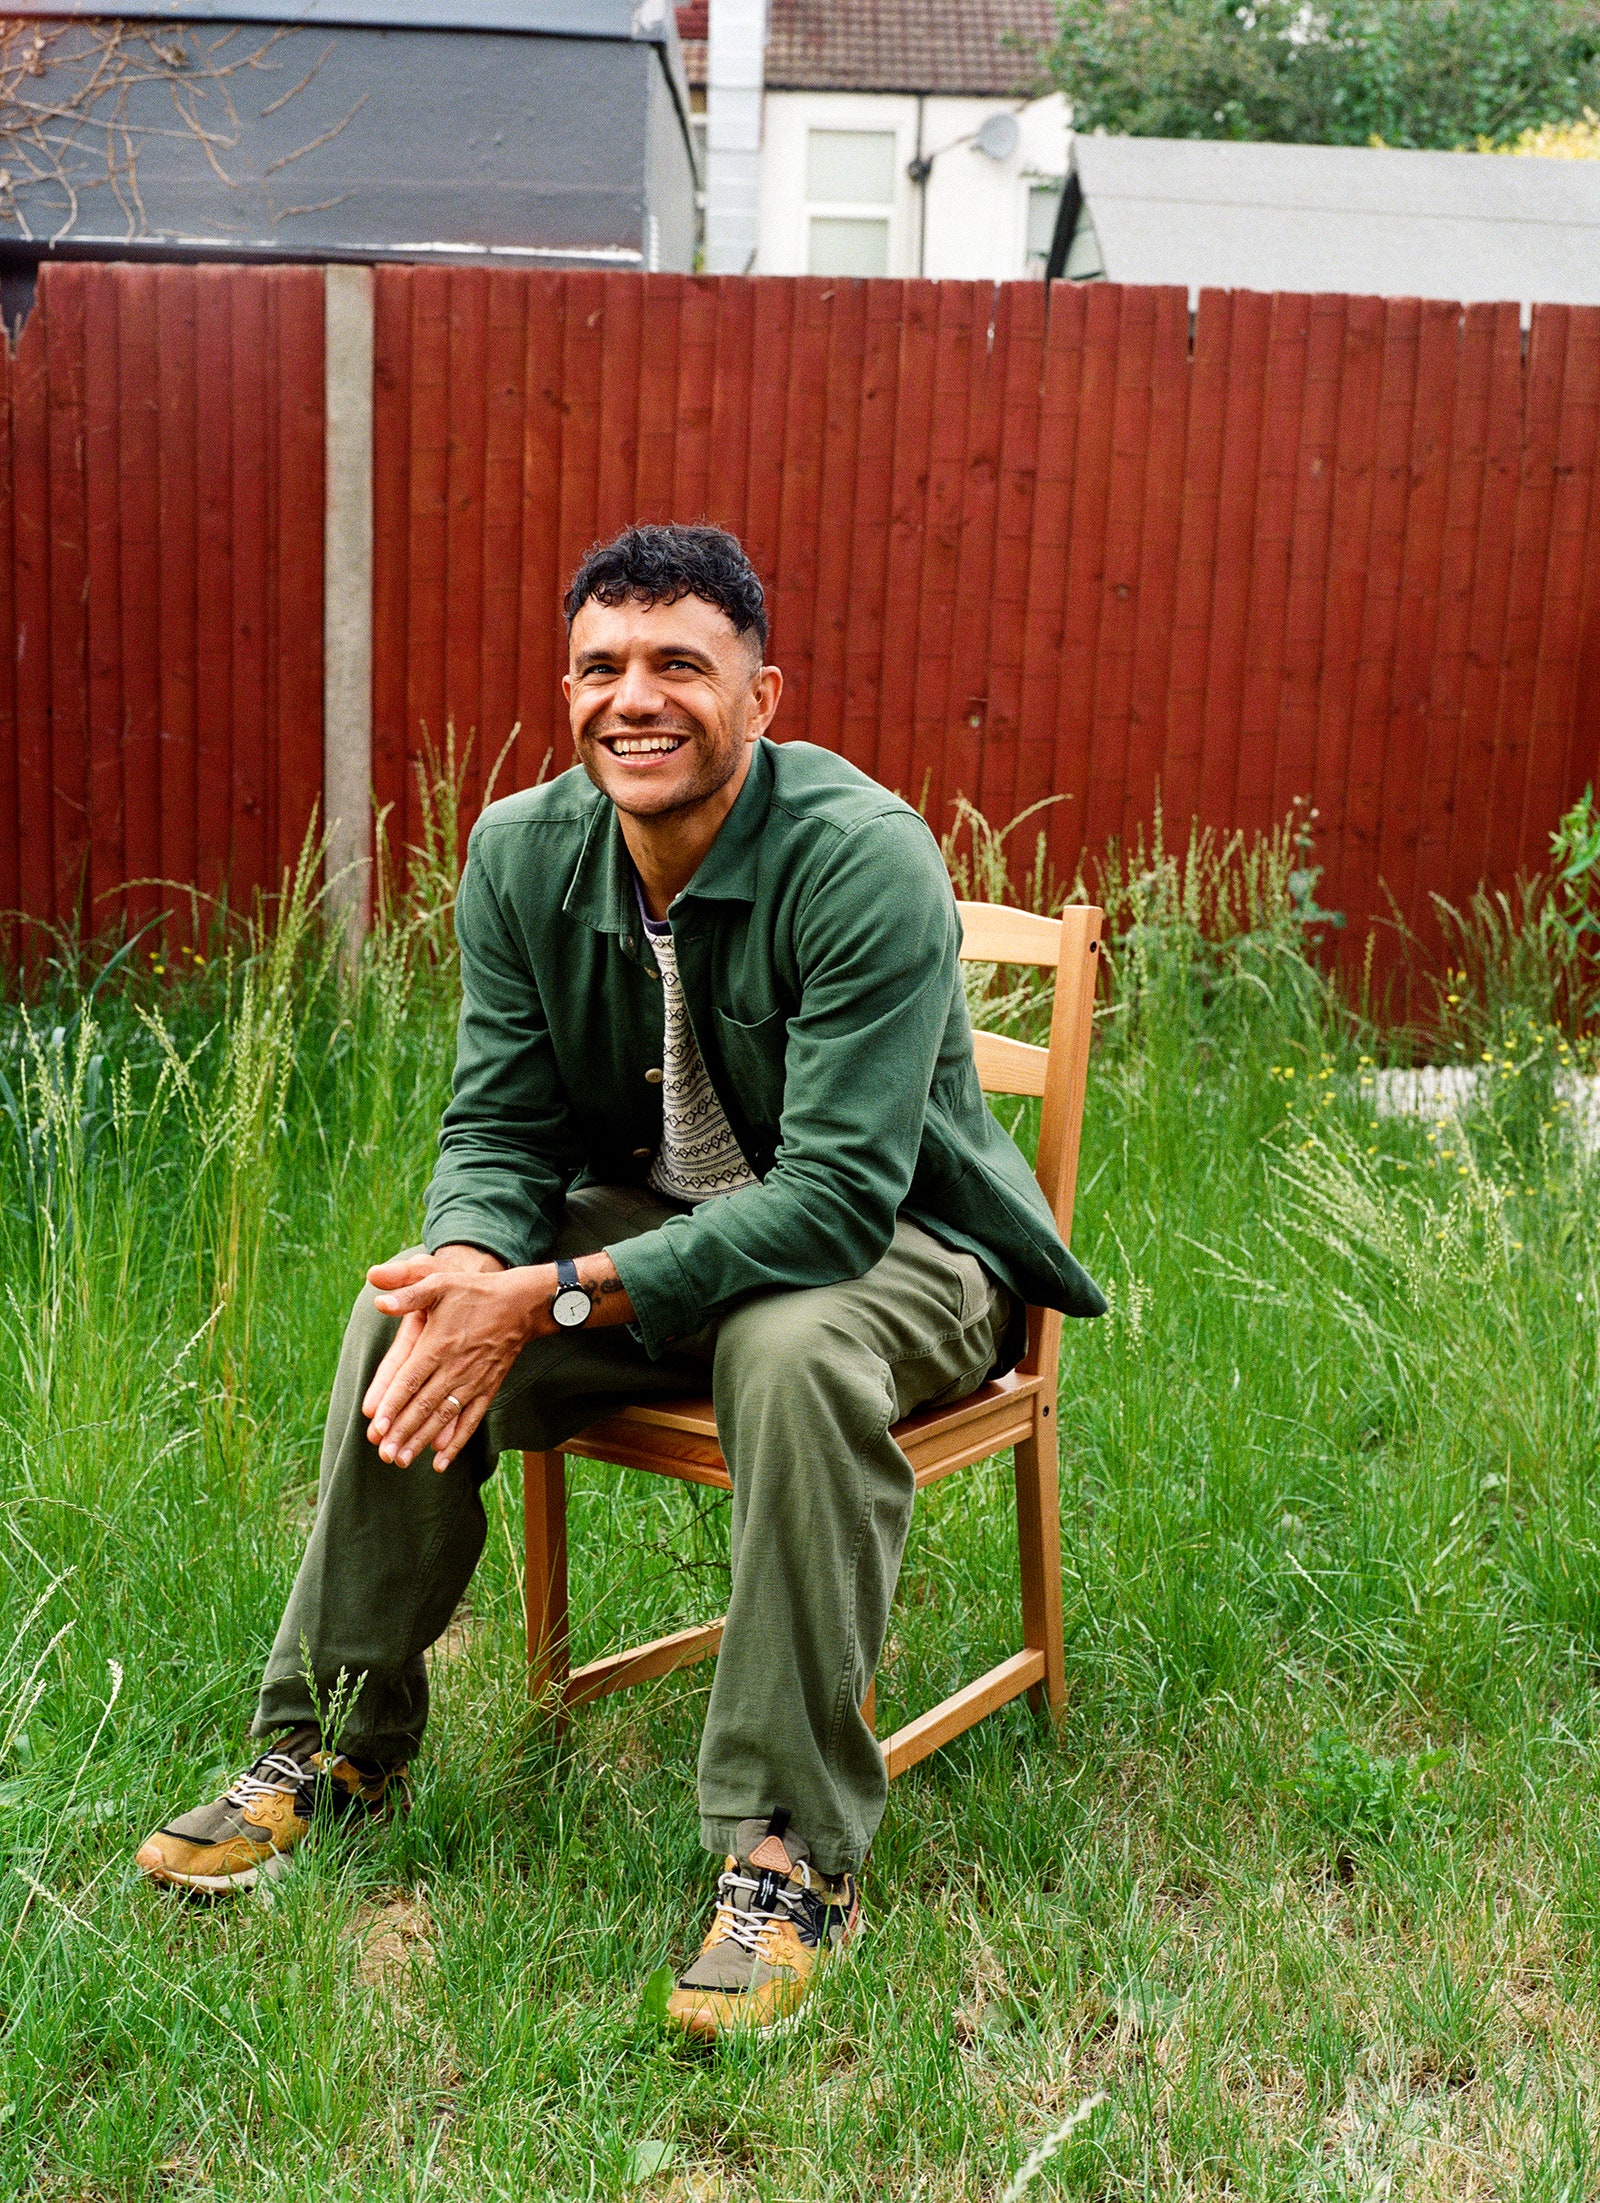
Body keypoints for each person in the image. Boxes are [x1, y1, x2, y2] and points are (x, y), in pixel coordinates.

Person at [136, 522, 1105, 2041]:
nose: (633, 699)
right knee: (410, 1313)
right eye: (601, 665)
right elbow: (500, 1123)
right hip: (662, 1227)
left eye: (678, 666)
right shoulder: (524, 853)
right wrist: (473, 1266)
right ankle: (335, 1745)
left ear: (762, 696)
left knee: (788, 1352)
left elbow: (838, 1199)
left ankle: (789, 1852)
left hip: (903, 1248)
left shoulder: (864, 855)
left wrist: (562, 1288)